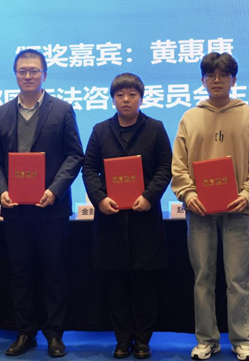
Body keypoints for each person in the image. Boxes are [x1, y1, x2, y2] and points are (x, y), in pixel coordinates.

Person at [171, 53, 249, 361]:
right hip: (199, 211)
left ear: (233, 80)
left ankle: (241, 340)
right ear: (202, 80)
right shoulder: (190, 117)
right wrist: (188, 194)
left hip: (238, 210)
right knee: (203, 278)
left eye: (223, 75)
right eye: (210, 75)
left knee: (238, 280)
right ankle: (207, 340)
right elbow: (178, 165)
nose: (217, 80)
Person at [0, 49, 84, 358]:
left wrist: (55, 190)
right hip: (15, 210)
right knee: (20, 273)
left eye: (33, 70)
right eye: (22, 71)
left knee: (54, 272)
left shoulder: (62, 110)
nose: (28, 76)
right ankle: (25, 332)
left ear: (45, 74)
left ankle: (54, 335)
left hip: (51, 208)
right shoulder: (2, 112)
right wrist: (1, 190)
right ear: (15, 74)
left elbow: (75, 154)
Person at [82, 73, 172, 359]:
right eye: (120, 95)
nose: (126, 100)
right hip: (111, 219)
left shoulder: (155, 128)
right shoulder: (100, 130)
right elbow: (89, 169)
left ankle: (143, 340)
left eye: (132, 94)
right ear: (113, 99)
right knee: (117, 284)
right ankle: (121, 340)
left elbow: (166, 167)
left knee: (144, 284)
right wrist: (100, 198)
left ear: (141, 98)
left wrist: (149, 196)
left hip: (144, 217)